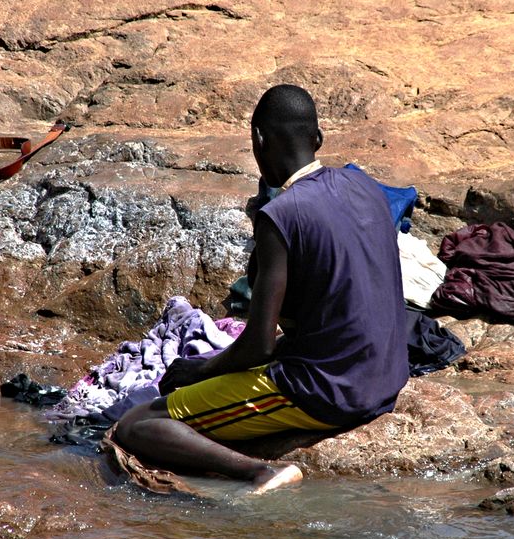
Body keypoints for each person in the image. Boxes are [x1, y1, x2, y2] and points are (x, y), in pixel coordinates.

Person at [113, 84, 408, 493]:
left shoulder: (280, 214)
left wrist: (197, 370)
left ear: (258, 140)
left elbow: (259, 347)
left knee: (137, 425)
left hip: (332, 391)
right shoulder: (366, 186)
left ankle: (259, 472)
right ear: (318, 139)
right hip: (389, 375)